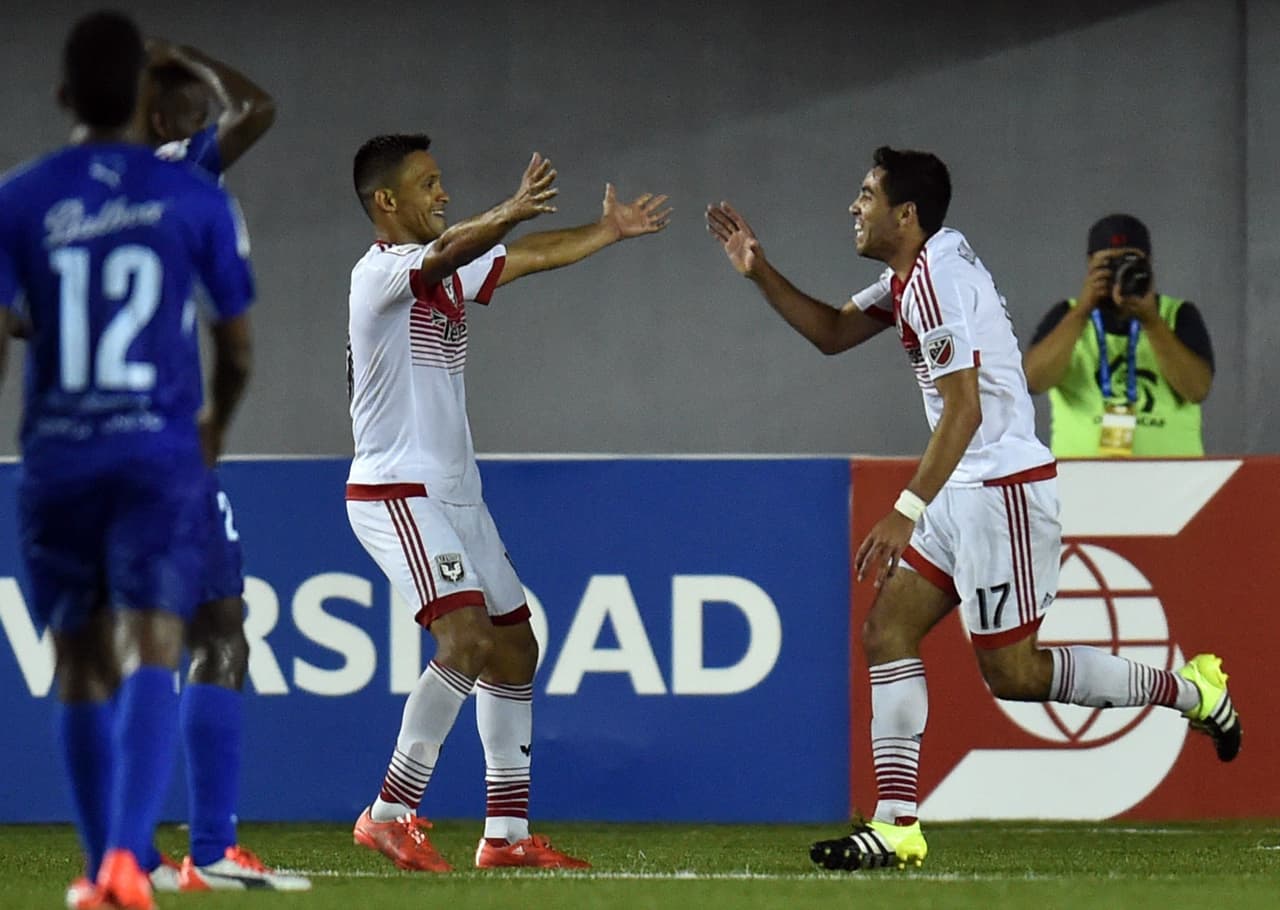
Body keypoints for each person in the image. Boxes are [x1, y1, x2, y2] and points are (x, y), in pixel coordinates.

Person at [705, 147, 1240, 872]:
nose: (853, 207)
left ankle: (1192, 692)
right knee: (885, 631)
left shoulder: (937, 282)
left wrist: (903, 508)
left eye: (866, 194)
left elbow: (961, 410)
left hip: (1002, 491)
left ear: (907, 214)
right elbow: (832, 333)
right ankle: (897, 825)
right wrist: (756, 268)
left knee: (1014, 677)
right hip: (962, 490)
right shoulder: (915, 273)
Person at [345, 134, 669, 871]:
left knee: (515, 647)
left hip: (456, 496)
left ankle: (507, 836)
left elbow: (530, 256)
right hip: (397, 490)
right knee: (467, 643)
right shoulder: (382, 275)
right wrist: (511, 209)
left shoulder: (443, 274)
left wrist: (606, 232)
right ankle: (389, 813)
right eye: (428, 185)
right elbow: (454, 249)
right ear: (386, 202)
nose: (442, 194)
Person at [0, 11, 255, 909]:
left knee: (79, 662)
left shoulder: (18, 198)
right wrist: (213, 427)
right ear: (147, 97)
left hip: (60, 459)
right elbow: (237, 347)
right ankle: (124, 864)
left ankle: (103, 863)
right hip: (157, 454)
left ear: (63, 95)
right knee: (157, 641)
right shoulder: (191, 194)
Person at [132, 37, 307, 893]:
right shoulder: (176, 170)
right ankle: (206, 847)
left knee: (152, 635)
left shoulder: (61, 199)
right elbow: (260, 108)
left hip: (88, 448)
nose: (209, 125)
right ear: (165, 120)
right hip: (169, 443)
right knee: (218, 627)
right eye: (192, 112)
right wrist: (186, 56)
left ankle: (135, 853)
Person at [1022, 214, 1214, 457]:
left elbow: (1197, 389)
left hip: (1173, 480)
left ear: (1149, 263)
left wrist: (1151, 320)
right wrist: (1083, 311)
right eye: (1108, 264)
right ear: (1090, 263)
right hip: (1083, 480)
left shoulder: (1176, 314)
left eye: (1130, 261)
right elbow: (1033, 381)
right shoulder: (1068, 315)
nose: (1120, 272)